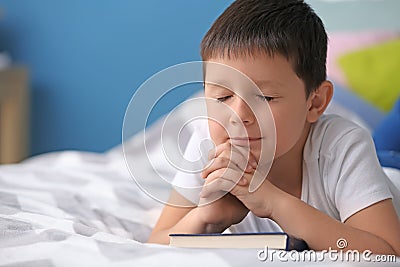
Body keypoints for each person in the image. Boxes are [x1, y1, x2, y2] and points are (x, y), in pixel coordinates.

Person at [148, 0, 400, 255]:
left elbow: (387, 253)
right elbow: (154, 244)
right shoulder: (207, 144)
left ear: (315, 102)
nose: (238, 116)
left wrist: (274, 203)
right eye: (222, 98)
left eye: (264, 98)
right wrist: (204, 218)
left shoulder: (343, 146)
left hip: (389, 167)